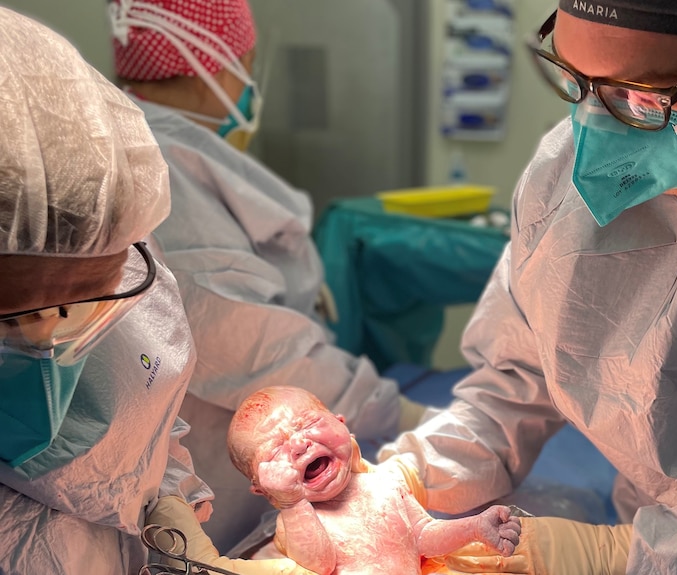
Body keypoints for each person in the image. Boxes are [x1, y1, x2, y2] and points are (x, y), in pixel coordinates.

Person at [377, 0, 677, 573]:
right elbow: (519, 377)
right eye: (576, 81)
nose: (595, 131)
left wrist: (614, 558)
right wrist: (410, 475)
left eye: (644, 99)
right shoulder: (561, 182)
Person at [0, 7, 320, 575]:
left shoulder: (125, 253)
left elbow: (144, 414)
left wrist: (168, 506)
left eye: (84, 311)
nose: (51, 344)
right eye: (10, 322)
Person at [106, 0, 428, 550]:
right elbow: (252, 347)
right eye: (246, 62)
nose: (249, 80)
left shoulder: (137, 141)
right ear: (213, 65)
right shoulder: (164, 169)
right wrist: (394, 412)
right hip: (212, 476)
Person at [223, 386, 520, 575]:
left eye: (309, 424)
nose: (300, 444)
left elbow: (424, 536)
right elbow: (320, 563)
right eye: (276, 450)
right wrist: (292, 502)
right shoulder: (297, 520)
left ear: (342, 424)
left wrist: (474, 527)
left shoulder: (385, 485)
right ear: (265, 490)